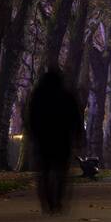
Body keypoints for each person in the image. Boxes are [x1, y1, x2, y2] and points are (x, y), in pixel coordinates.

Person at [25, 67, 83, 214]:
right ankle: (58, 199)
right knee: (61, 172)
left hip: (43, 140)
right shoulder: (67, 96)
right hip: (62, 140)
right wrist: (78, 136)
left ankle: (48, 200)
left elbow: (31, 118)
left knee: (44, 172)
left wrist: (32, 135)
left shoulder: (38, 96)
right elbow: (76, 118)